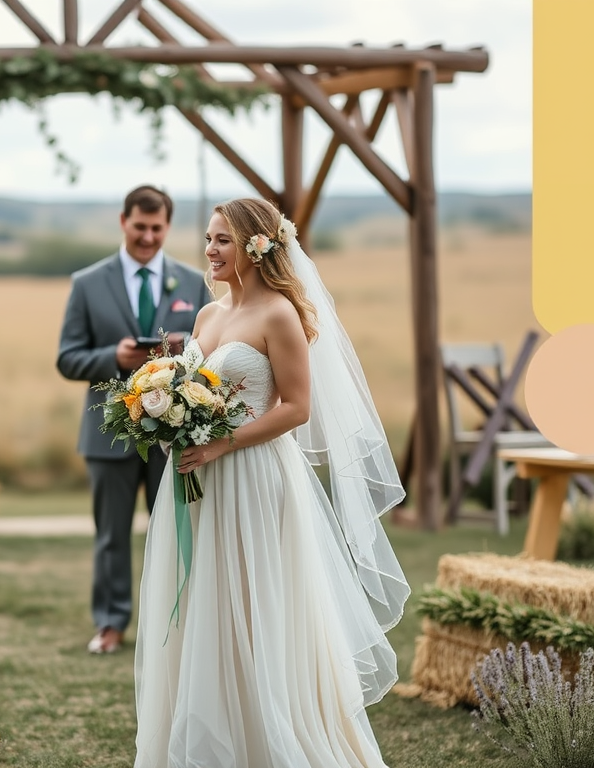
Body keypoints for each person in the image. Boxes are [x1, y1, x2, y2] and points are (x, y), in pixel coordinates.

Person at [133, 198, 410, 767]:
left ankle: (267, 736)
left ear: (256, 248)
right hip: (196, 478)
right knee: (202, 600)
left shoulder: (280, 314)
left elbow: (297, 407)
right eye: (208, 239)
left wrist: (219, 444)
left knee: (255, 600)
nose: (209, 251)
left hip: (253, 476)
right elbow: (196, 389)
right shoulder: (208, 317)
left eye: (223, 242)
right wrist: (168, 424)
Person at [57, 185, 210, 655]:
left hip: (174, 433)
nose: (147, 237)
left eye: (156, 228)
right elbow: (67, 358)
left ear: (167, 227)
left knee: (182, 526)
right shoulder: (88, 282)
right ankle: (110, 624)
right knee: (111, 536)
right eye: (139, 227)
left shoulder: (191, 282)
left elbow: (211, 354)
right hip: (107, 434)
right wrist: (114, 356)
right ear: (123, 221)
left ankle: (183, 620)